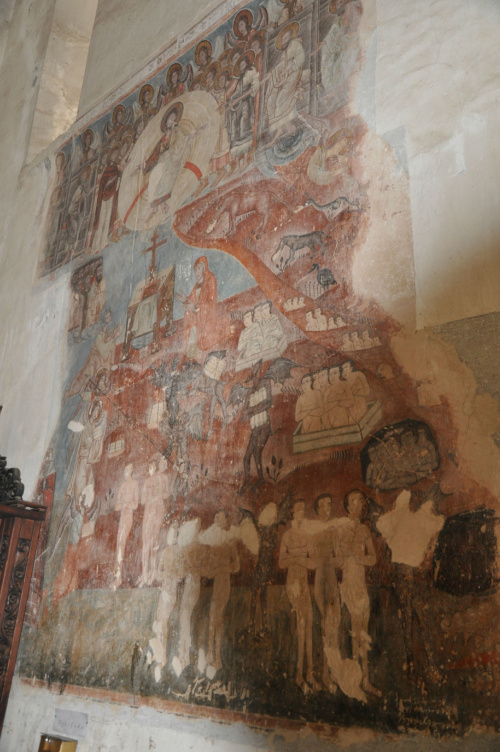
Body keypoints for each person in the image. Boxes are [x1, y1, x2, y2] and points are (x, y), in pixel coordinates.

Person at [337, 489, 380, 696]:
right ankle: (355, 682)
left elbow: (373, 558)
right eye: (354, 500)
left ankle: (366, 680)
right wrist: (345, 558)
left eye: (360, 500)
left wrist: (360, 558)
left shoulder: (364, 529)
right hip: (348, 585)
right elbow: (336, 559)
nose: (359, 503)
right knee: (354, 634)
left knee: (363, 634)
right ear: (347, 506)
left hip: (361, 586)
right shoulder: (341, 528)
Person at [279, 499, 319, 693]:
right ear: (292, 513)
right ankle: (298, 674)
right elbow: (281, 563)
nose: (302, 512)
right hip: (293, 584)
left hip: (303, 584)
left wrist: (296, 558)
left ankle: (309, 672)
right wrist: (299, 558)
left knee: (309, 624)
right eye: (298, 509)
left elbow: (314, 563)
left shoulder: (308, 536)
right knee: (301, 625)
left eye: (304, 509)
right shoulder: (287, 535)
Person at [199, 510, 240, 673]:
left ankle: (217, 657)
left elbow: (236, 566)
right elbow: (208, 571)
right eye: (216, 517)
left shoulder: (230, 541)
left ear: (226, 521)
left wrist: (222, 568)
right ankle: (210, 653)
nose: (217, 520)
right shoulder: (211, 544)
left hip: (224, 583)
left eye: (221, 518)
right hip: (214, 583)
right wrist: (215, 569)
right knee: (212, 618)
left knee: (218, 619)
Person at [311, 494, 343, 691]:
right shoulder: (313, 531)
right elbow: (311, 557)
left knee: (334, 623)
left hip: (331, 577)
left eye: (330, 504)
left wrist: (334, 560)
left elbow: (339, 558)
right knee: (324, 623)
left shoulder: (334, 531)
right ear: (317, 509)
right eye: (323, 505)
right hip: (320, 578)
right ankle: (324, 673)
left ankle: (333, 671)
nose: (328, 508)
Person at [265, 22, 307, 140]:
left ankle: (288, 124)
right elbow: (280, 67)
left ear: (291, 37)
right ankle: (280, 128)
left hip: (294, 73)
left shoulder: (295, 44)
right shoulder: (284, 52)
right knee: (271, 99)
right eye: (283, 38)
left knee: (282, 97)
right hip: (283, 78)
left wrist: (292, 65)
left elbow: (300, 57)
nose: (285, 40)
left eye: (287, 37)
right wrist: (272, 74)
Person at [176, 256, 222, 358]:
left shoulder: (210, 279)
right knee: (191, 329)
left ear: (204, 268)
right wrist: (185, 300)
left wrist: (195, 308)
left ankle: (198, 358)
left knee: (197, 336)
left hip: (206, 318)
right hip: (197, 317)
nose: (196, 272)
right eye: (195, 270)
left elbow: (211, 303)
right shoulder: (196, 285)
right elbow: (192, 302)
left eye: (199, 269)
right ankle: (192, 359)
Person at [240, 360, 273, 494]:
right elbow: (244, 414)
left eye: (257, 368)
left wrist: (253, 410)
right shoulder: (249, 393)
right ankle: (247, 481)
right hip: (255, 427)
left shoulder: (266, 383)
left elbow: (269, 403)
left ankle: (261, 479)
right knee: (246, 458)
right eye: (253, 368)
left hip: (264, 424)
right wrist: (258, 407)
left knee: (257, 452)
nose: (255, 371)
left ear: (259, 370)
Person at [139, 459, 170, 587]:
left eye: (152, 467)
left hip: (158, 510)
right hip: (148, 511)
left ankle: (154, 571)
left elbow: (166, 494)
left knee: (155, 541)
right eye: (149, 467)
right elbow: (142, 500)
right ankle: (144, 573)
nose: (150, 469)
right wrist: (149, 496)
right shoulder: (147, 481)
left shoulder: (163, 478)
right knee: (146, 541)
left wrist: (158, 495)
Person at [114, 463, 139, 589]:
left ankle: (119, 577)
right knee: (119, 543)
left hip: (129, 516)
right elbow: (116, 506)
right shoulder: (122, 486)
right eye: (124, 471)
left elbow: (136, 504)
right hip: (122, 516)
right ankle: (117, 576)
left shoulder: (135, 484)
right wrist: (122, 505)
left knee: (122, 542)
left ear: (131, 471)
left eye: (127, 471)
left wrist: (127, 504)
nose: (125, 473)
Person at [322, 364, 355, 429]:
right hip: (331, 422)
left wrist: (335, 400)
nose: (332, 376)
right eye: (330, 374)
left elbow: (351, 402)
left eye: (335, 373)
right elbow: (325, 408)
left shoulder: (344, 384)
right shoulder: (327, 391)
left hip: (344, 420)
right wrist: (339, 399)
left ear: (340, 373)